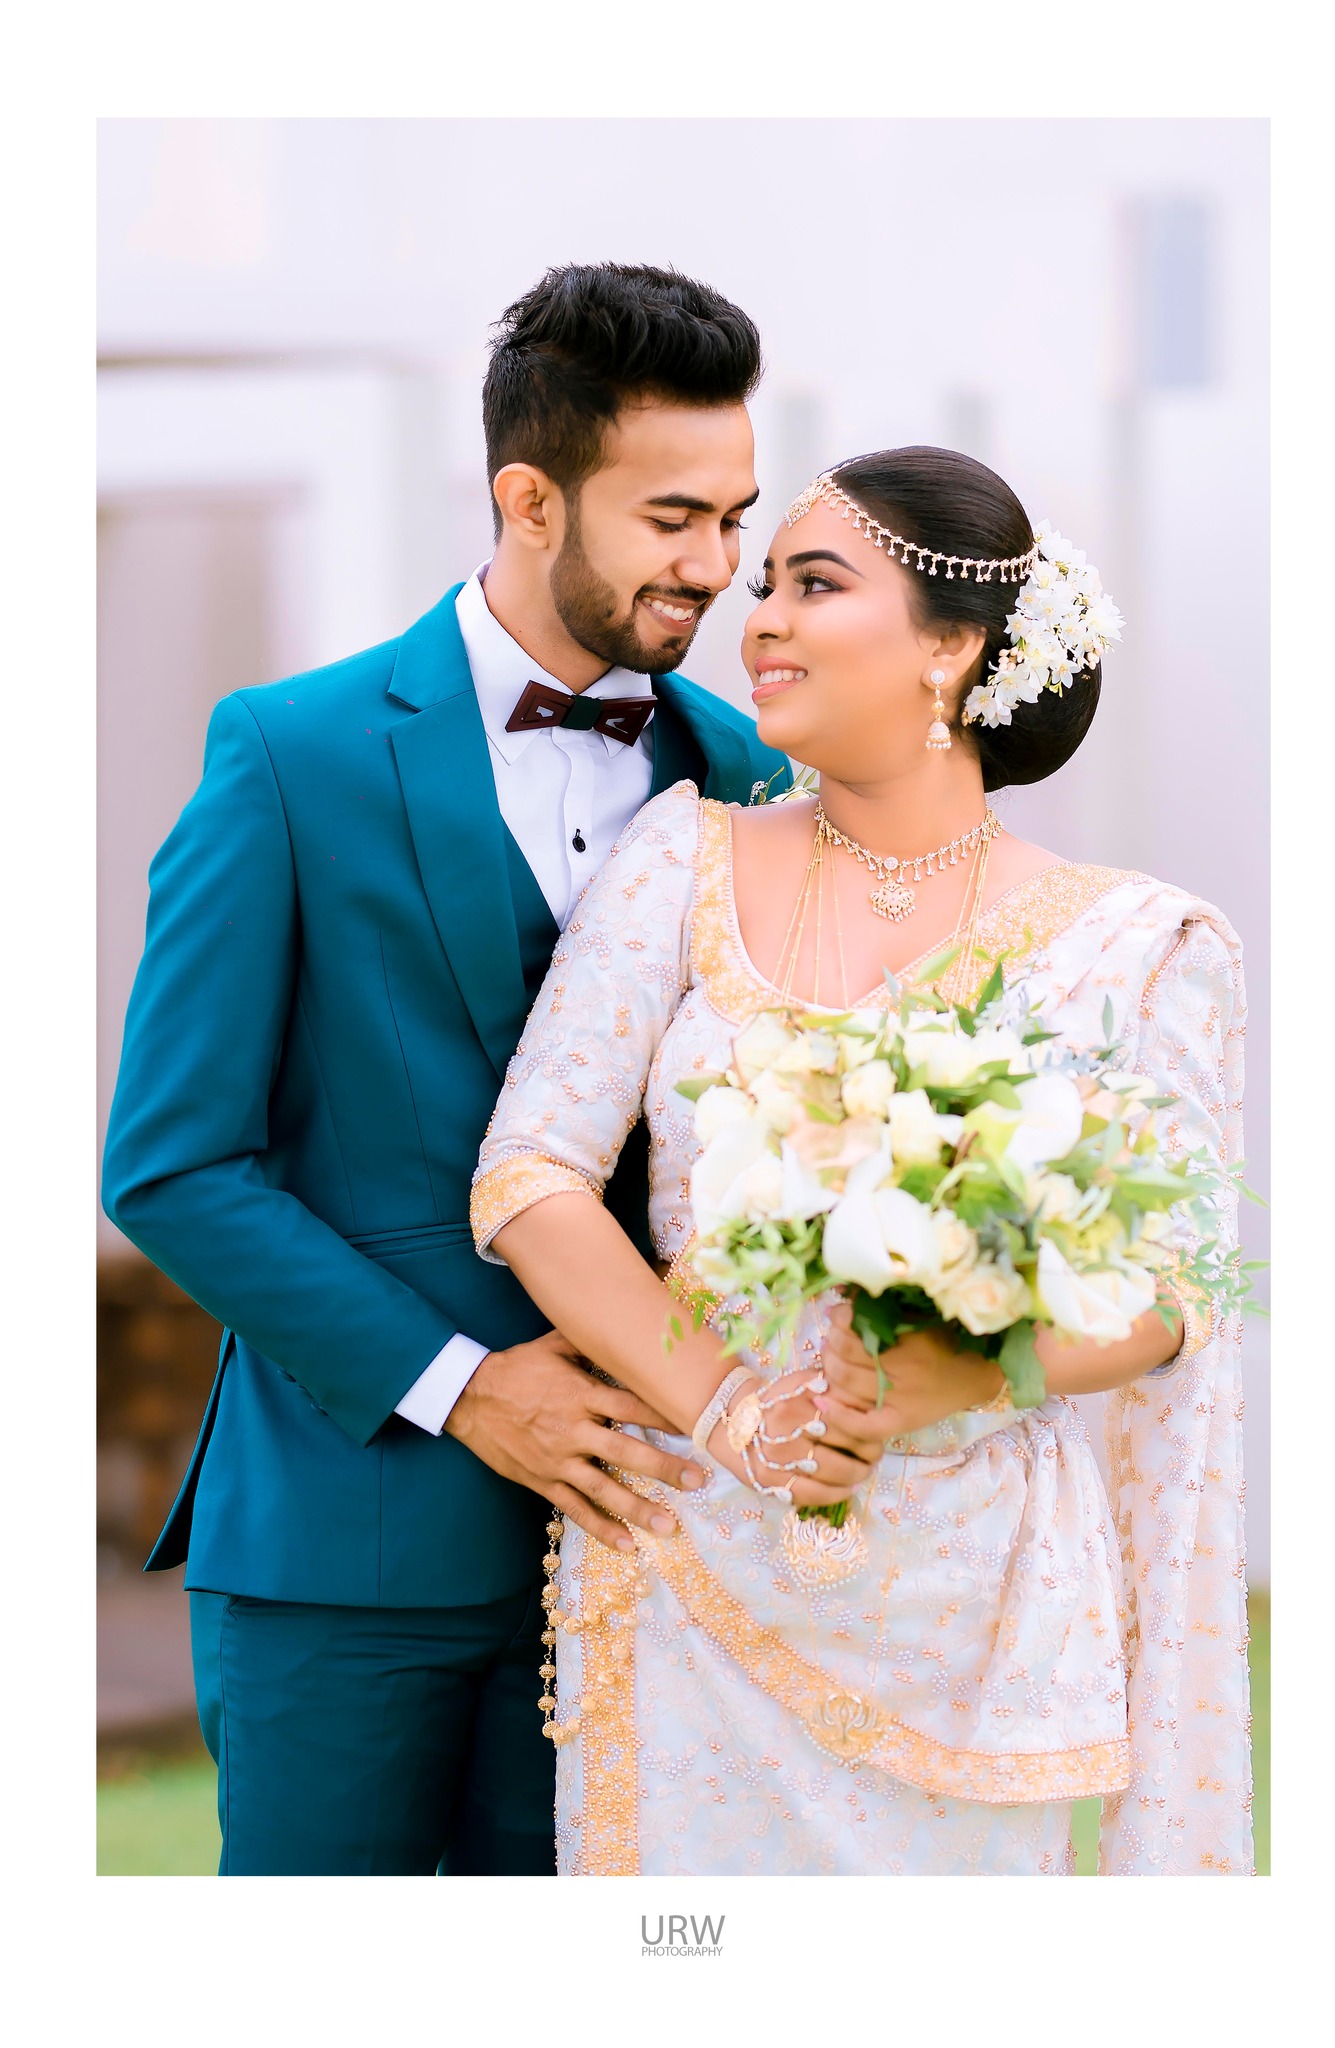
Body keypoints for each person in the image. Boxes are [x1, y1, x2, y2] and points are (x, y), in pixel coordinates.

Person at [100, 262, 796, 1876]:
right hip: (346, 1547)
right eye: (672, 518)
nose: (714, 567)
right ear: (529, 499)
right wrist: (466, 1388)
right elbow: (173, 1166)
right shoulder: (290, 753)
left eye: (733, 519)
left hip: (646, 1544)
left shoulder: (749, 771)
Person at [473, 445, 1252, 1876]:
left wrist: (968, 1373)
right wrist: (731, 1415)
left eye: (814, 586)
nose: (759, 617)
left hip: (983, 1607)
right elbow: (530, 1176)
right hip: (695, 1559)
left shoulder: (1136, 946)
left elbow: (1175, 1292)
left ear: (952, 648)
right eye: (765, 585)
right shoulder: (681, 861)